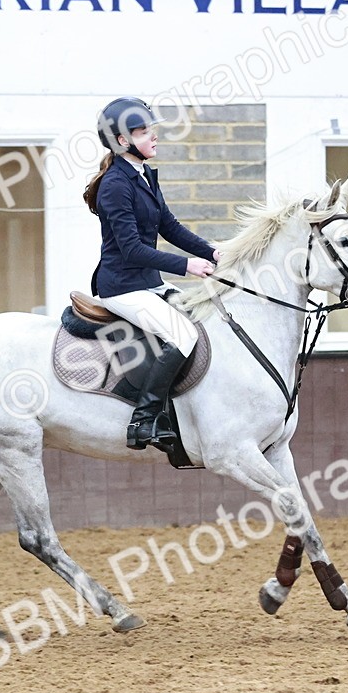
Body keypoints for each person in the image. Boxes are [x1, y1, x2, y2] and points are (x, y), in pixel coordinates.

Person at [83, 97, 223, 451]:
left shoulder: (143, 175)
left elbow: (171, 228)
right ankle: (143, 420)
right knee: (183, 335)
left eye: (151, 129)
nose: (154, 136)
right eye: (144, 131)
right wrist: (187, 265)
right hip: (122, 287)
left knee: (203, 320)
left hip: (149, 284)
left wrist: (214, 253)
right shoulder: (116, 184)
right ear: (122, 141)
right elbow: (131, 250)